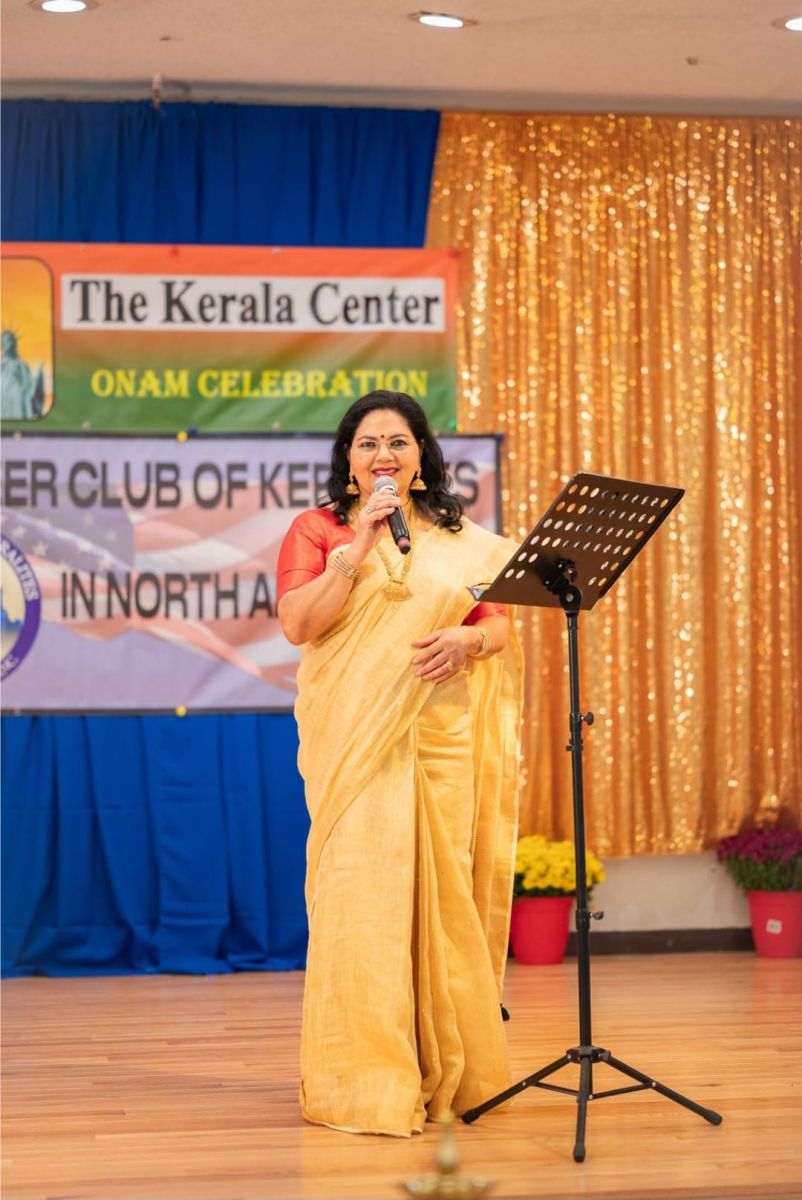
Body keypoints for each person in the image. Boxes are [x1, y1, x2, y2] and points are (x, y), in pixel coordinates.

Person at [277, 390, 523, 1137]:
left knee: (440, 910)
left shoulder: (458, 541)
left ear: (421, 460)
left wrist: (467, 642)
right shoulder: (319, 529)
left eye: (399, 442)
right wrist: (358, 546)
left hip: (438, 739)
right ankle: (364, 1081)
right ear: (349, 463)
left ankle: (447, 1072)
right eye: (368, 443)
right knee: (361, 907)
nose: (384, 454)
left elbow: (500, 628)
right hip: (355, 743)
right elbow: (299, 624)